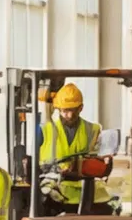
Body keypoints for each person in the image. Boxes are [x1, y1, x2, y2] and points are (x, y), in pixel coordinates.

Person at [34, 81, 103, 213]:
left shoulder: (93, 129)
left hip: (85, 191)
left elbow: (97, 159)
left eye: (73, 111)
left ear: (80, 108)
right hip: (53, 189)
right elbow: (34, 164)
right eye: (66, 111)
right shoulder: (44, 130)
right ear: (58, 109)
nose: (70, 116)